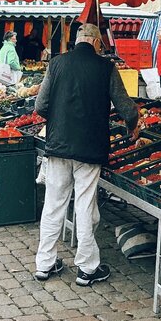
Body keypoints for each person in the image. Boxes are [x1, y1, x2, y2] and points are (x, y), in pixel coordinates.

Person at [34, 22, 139, 287]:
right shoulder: (106, 67)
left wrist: (60, 119)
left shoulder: (57, 63)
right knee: (84, 206)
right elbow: (125, 105)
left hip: (58, 144)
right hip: (90, 147)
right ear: (95, 43)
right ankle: (87, 268)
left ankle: (44, 264)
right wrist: (132, 124)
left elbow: (40, 105)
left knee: (53, 204)